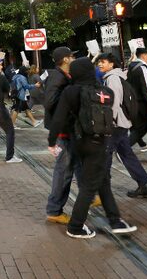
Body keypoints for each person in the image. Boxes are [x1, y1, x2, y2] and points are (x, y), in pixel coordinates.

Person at [48, 58, 138, 239]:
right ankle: (75, 226)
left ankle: (115, 220)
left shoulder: (70, 91)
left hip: (78, 142)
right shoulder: (106, 92)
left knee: (101, 181)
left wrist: (51, 141)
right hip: (99, 143)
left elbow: (58, 119)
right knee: (90, 186)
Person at [96, 53, 147, 199]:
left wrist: (109, 123)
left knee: (106, 155)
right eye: (99, 62)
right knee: (126, 154)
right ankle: (145, 185)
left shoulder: (113, 79)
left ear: (111, 64)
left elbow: (114, 103)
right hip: (121, 123)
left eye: (103, 62)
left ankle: (103, 191)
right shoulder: (115, 77)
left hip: (116, 123)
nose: (100, 64)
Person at [43, 47, 78, 225]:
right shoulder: (58, 77)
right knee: (63, 171)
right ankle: (54, 209)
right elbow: (49, 102)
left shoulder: (62, 76)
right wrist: (67, 103)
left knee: (70, 168)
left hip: (65, 129)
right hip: (62, 130)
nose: (74, 59)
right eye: (72, 56)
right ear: (65, 59)